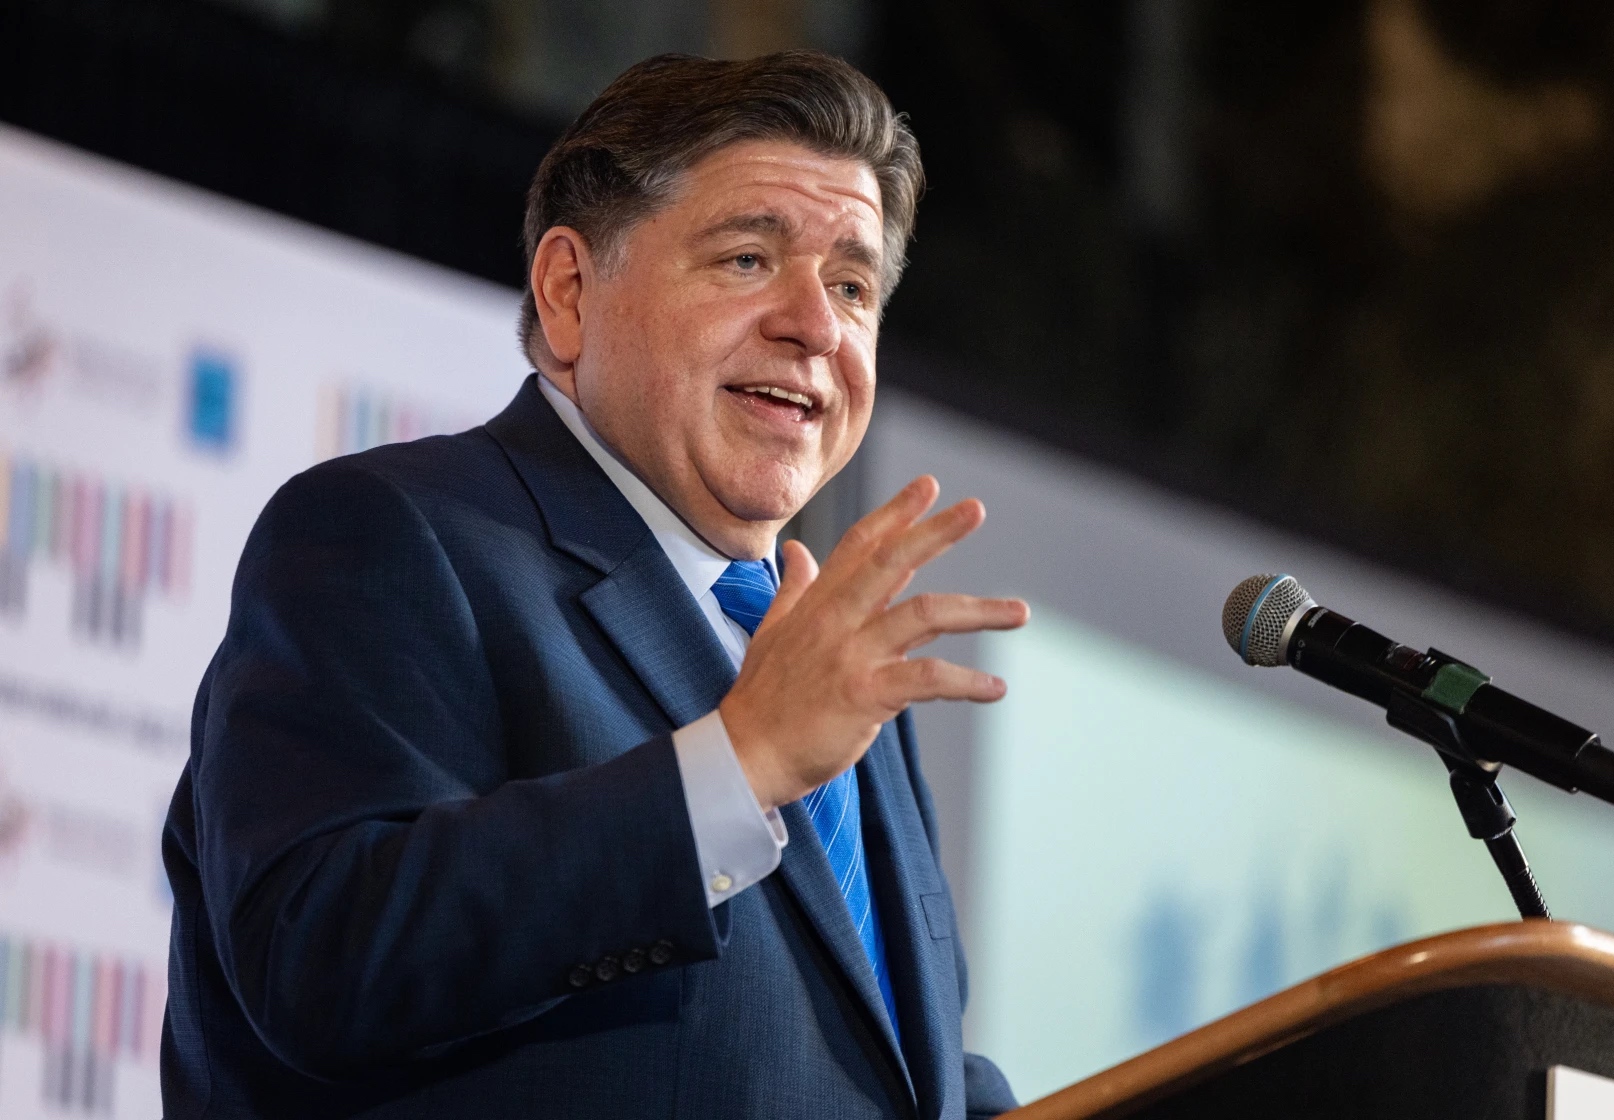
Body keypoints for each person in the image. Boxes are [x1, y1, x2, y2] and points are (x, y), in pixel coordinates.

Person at [160, 51, 1030, 1119]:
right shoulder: (395, 536)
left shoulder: (837, 673)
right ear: (570, 293)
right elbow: (321, 955)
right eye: (749, 258)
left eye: (852, 286)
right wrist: (742, 761)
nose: (817, 326)